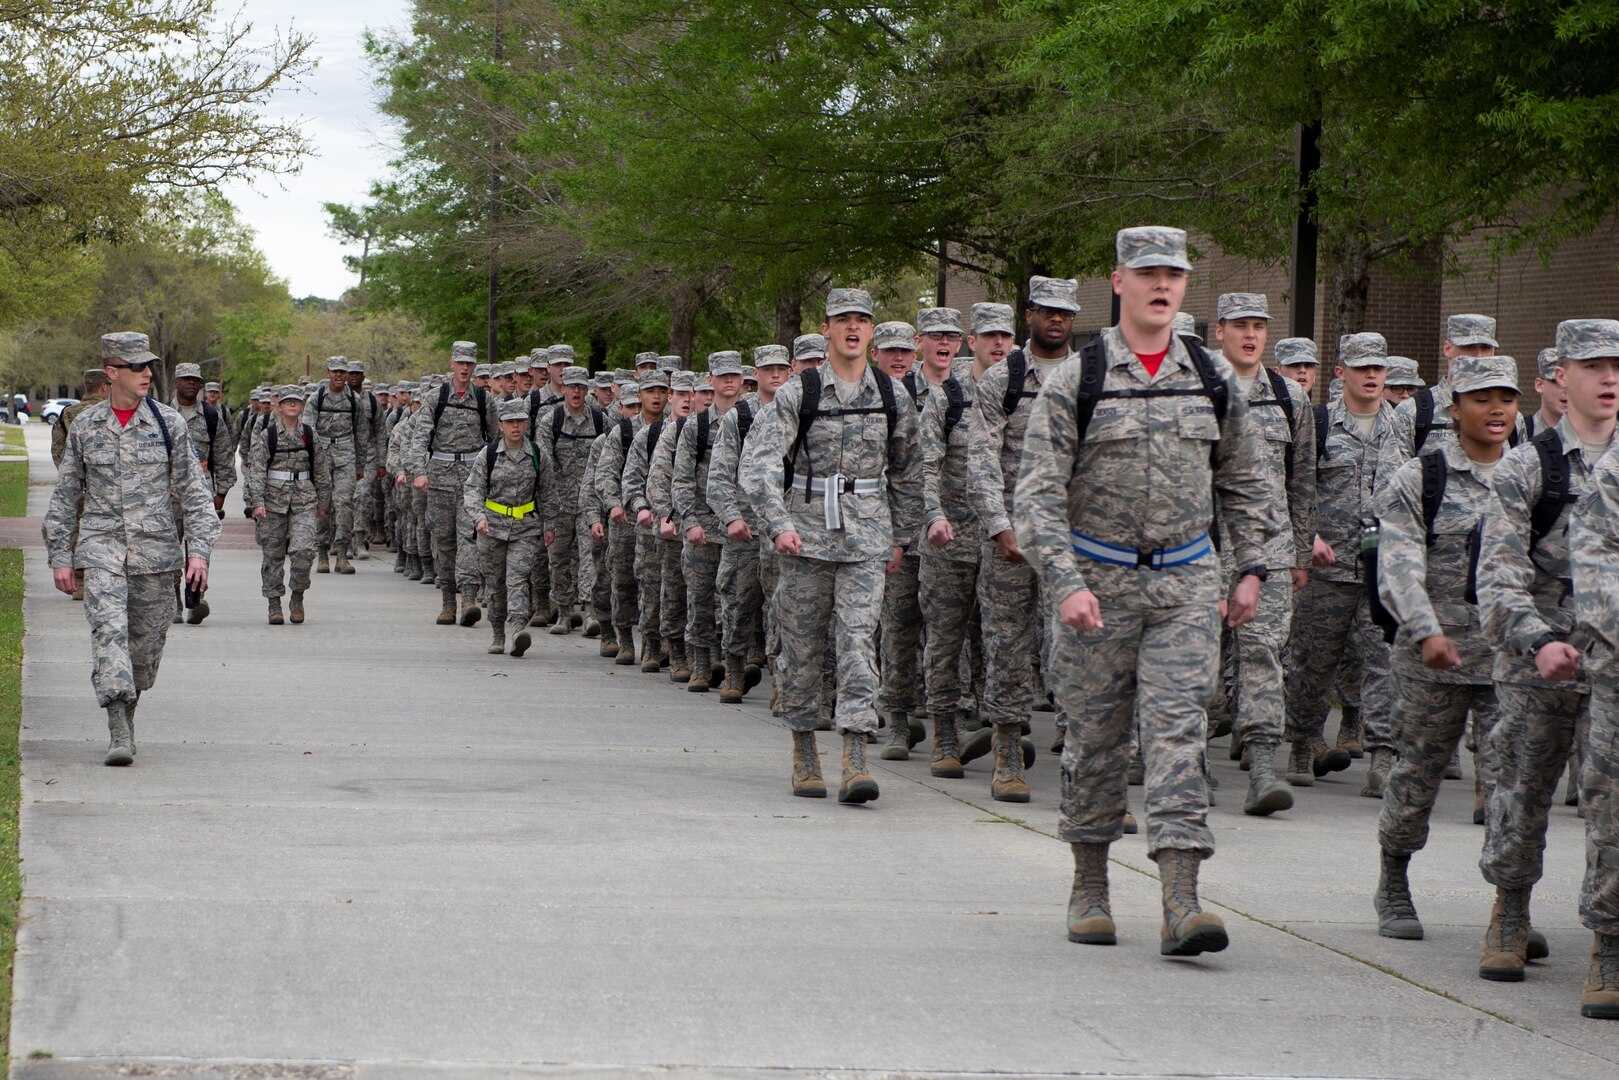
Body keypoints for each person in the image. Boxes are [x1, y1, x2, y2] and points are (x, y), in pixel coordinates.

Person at [1013, 226, 1271, 957]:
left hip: (1187, 583)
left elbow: (1247, 482)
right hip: (1096, 584)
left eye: (1174, 274)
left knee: (1176, 736)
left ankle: (1181, 900)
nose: (1162, 285)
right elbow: (1035, 499)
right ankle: (1089, 885)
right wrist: (1062, 583)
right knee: (1094, 741)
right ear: (1117, 281)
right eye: (1147, 272)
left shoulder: (1211, 377)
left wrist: (1251, 568)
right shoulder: (1078, 379)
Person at [1479, 319, 1619, 988]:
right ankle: (1508, 909)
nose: (1609, 377)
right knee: (1520, 789)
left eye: (1616, 365)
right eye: (1593, 365)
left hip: (1612, 660)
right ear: (1560, 375)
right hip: (1539, 654)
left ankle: (1607, 940)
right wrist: (1535, 640)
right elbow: (1497, 574)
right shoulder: (1524, 465)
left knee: (1609, 803)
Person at [741, 288, 923, 802]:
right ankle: (804, 751)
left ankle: (856, 754)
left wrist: (901, 538)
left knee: (858, 645)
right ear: (826, 329)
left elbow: (909, 470)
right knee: (800, 648)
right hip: (805, 540)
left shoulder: (892, 395)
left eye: (861, 321)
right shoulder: (801, 392)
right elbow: (757, 466)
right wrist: (778, 525)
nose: (852, 328)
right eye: (842, 319)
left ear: (870, 331)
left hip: (866, 539)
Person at [1372, 356, 1519, 943]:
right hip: (1432, 659)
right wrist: (1426, 629)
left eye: (1506, 397)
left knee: (1512, 786)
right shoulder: (1421, 477)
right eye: (1482, 398)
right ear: (1454, 408)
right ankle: (1393, 881)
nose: (1497, 409)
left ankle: (1511, 907)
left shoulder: (1532, 475)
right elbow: (1399, 562)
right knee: (1417, 777)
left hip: (1511, 663)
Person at [43, 331, 220, 766]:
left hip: (156, 553)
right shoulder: (84, 425)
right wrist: (61, 556)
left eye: (148, 366)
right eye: (136, 367)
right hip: (102, 548)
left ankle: (130, 706)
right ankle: (117, 724)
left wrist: (198, 551)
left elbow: (195, 493)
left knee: (144, 646)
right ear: (112, 372)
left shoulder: (167, 423)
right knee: (109, 633)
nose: (146, 373)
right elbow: (66, 495)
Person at [966, 276, 1081, 800]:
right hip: (1012, 538)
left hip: (1074, 541)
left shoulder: (1090, 376)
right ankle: (1007, 751)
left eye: (1065, 312)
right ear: (1028, 314)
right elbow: (982, 458)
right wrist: (999, 525)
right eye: (1046, 311)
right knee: (1007, 646)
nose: (1056, 320)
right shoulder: (1001, 380)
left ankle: (1083, 760)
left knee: (1078, 650)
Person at [1209, 293, 1314, 816]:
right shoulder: (1197, 387)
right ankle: (1190, 761)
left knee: (1263, 655)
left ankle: (1263, 765)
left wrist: (1298, 552)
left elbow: (1303, 481)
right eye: (1240, 325)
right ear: (1220, 330)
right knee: (1199, 660)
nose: (1251, 335)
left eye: (1259, 326)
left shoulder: (1289, 397)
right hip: (1203, 547)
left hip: (1269, 550)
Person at [1285, 333, 1398, 794]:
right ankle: (1301, 743)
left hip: (1383, 571)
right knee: (1313, 663)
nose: (1372, 376)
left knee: (1385, 664)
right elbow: (1297, 484)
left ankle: (1384, 755)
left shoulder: (1403, 426)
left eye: (1379, 368)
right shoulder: (1320, 422)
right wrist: (1305, 537)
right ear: (1341, 373)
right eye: (1362, 367)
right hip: (1327, 570)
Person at [916, 302, 1007, 776]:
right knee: (945, 641)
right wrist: (932, 516)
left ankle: (1000, 732)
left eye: (1006, 337)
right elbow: (925, 464)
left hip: (1004, 541)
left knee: (1003, 642)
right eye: (989, 336)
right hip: (951, 541)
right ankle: (945, 732)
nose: (998, 345)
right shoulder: (949, 395)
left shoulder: (1021, 392)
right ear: (972, 342)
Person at [408, 342, 495, 626]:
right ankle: (447, 601)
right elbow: (420, 438)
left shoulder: (484, 400)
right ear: (451, 363)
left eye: (470, 363)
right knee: (444, 541)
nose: (465, 367)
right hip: (441, 478)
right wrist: (419, 472)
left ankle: (468, 597)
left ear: (475, 365)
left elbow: (495, 443)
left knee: (469, 537)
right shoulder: (437, 398)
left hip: (472, 479)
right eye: (460, 362)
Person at [674, 351, 745, 695]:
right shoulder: (697, 426)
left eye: (734, 375)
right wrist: (689, 521)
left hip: (742, 527)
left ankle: (734, 668)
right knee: (700, 599)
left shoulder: (753, 419)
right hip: (703, 527)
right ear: (710, 381)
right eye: (722, 375)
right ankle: (701, 664)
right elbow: (682, 479)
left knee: (737, 602)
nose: (729, 381)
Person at [467, 398, 560, 656]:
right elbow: (473, 489)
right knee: (496, 583)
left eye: (520, 421)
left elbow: (548, 493)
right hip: (492, 527)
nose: (516, 426)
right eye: (510, 422)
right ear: (500, 426)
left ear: (526, 424)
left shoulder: (538, 455)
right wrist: (478, 517)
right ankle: (498, 633)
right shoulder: (488, 455)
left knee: (518, 579)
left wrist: (550, 524)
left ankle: (518, 628)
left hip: (525, 527)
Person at [248, 385, 331, 625]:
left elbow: (321, 470)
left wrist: (323, 501)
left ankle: (297, 595)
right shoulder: (269, 435)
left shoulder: (309, 434)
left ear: (303, 406)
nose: (292, 405)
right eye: (287, 401)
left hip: (304, 499)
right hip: (273, 502)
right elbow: (257, 470)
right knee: (272, 555)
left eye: (296, 401)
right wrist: (257, 502)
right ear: (279, 406)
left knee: (304, 550)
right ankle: (274, 602)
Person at [169, 361, 236, 623]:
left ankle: (195, 601)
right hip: (168, 492)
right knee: (168, 549)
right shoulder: (162, 414)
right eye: (186, 379)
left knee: (201, 549)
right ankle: (172, 601)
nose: (191, 384)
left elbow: (223, 454)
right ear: (176, 382)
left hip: (201, 491)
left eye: (195, 380)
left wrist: (221, 492)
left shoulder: (210, 415)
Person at [308, 357, 370, 575]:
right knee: (322, 505)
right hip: (321, 455)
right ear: (328, 372)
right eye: (335, 371)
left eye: (342, 372)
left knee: (345, 504)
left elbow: (362, 433)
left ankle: (342, 553)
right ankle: (322, 553)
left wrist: (360, 464)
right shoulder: (317, 399)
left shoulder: (354, 400)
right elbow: (307, 431)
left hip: (346, 454)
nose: (339, 375)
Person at [51, 368, 109, 602]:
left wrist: (70, 477)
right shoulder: (110, 412)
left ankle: (80, 581)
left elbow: (57, 449)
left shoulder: (68, 413)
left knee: (77, 528)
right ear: (104, 387)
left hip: (78, 484)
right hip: (106, 486)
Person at [1528, 347, 1566, 437]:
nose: (1567, 389)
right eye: (1558, 382)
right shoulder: (1521, 432)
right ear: (1539, 385)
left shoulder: (1592, 435)